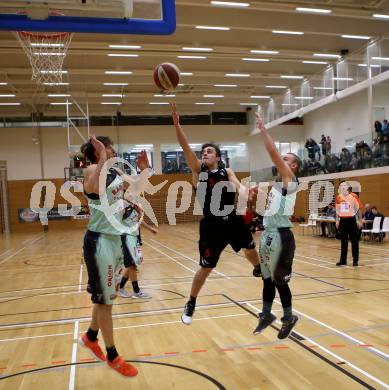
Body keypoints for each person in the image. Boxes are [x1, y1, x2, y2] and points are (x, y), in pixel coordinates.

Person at [170, 103, 261, 326]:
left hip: (234, 219)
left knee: (250, 249)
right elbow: (186, 149)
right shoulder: (198, 171)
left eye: (209, 151)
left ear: (218, 157)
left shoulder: (226, 171)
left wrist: (246, 193)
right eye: (203, 152)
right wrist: (177, 125)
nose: (205, 154)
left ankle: (258, 267)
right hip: (212, 225)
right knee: (207, 267)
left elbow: (238, 186)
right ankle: (191, 302)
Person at [79, 135, 149, 377]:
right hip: (98, 241)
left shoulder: (116, 173)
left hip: (113, 240)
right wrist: (100, 160)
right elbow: (91, 188)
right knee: (105, 302)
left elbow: (131, 196)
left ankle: (90, 337)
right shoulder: (90, 170)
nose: (113, 150)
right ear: (98, 152)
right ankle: (112, 355)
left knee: (105, 297)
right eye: (108, 148)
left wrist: (144, 172)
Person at [252, 111, 301, 339]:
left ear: (294, 167)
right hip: (268, 234)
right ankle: (266, 313)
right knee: (267, 279)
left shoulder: (291, 178)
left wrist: (263, 129)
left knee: (280, 281)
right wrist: (255, 196)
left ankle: (289, 316)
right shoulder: (276, 186)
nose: (283, 159)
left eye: (288, 158)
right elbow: (264, 210)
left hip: (283, 236)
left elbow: (273, 154)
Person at [119, 202, 157, 299]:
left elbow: (138, 220)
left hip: (133, 237)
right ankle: (136, 292)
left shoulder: (135, 206)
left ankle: (121, 287)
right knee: (131, 264)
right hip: (126, 236)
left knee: (132, 264)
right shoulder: (123, 206)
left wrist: (150, 228)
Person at [335, 182, 363, 266]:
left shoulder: (354, 196)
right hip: (343, 221)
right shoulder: (338, 197)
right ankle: (343, 260)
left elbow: (358, 209)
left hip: (352, 220)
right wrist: (337, 220)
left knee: (354, 241)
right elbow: (337, 210)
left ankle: (355, 260)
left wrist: (360, 220)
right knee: (343, 242)